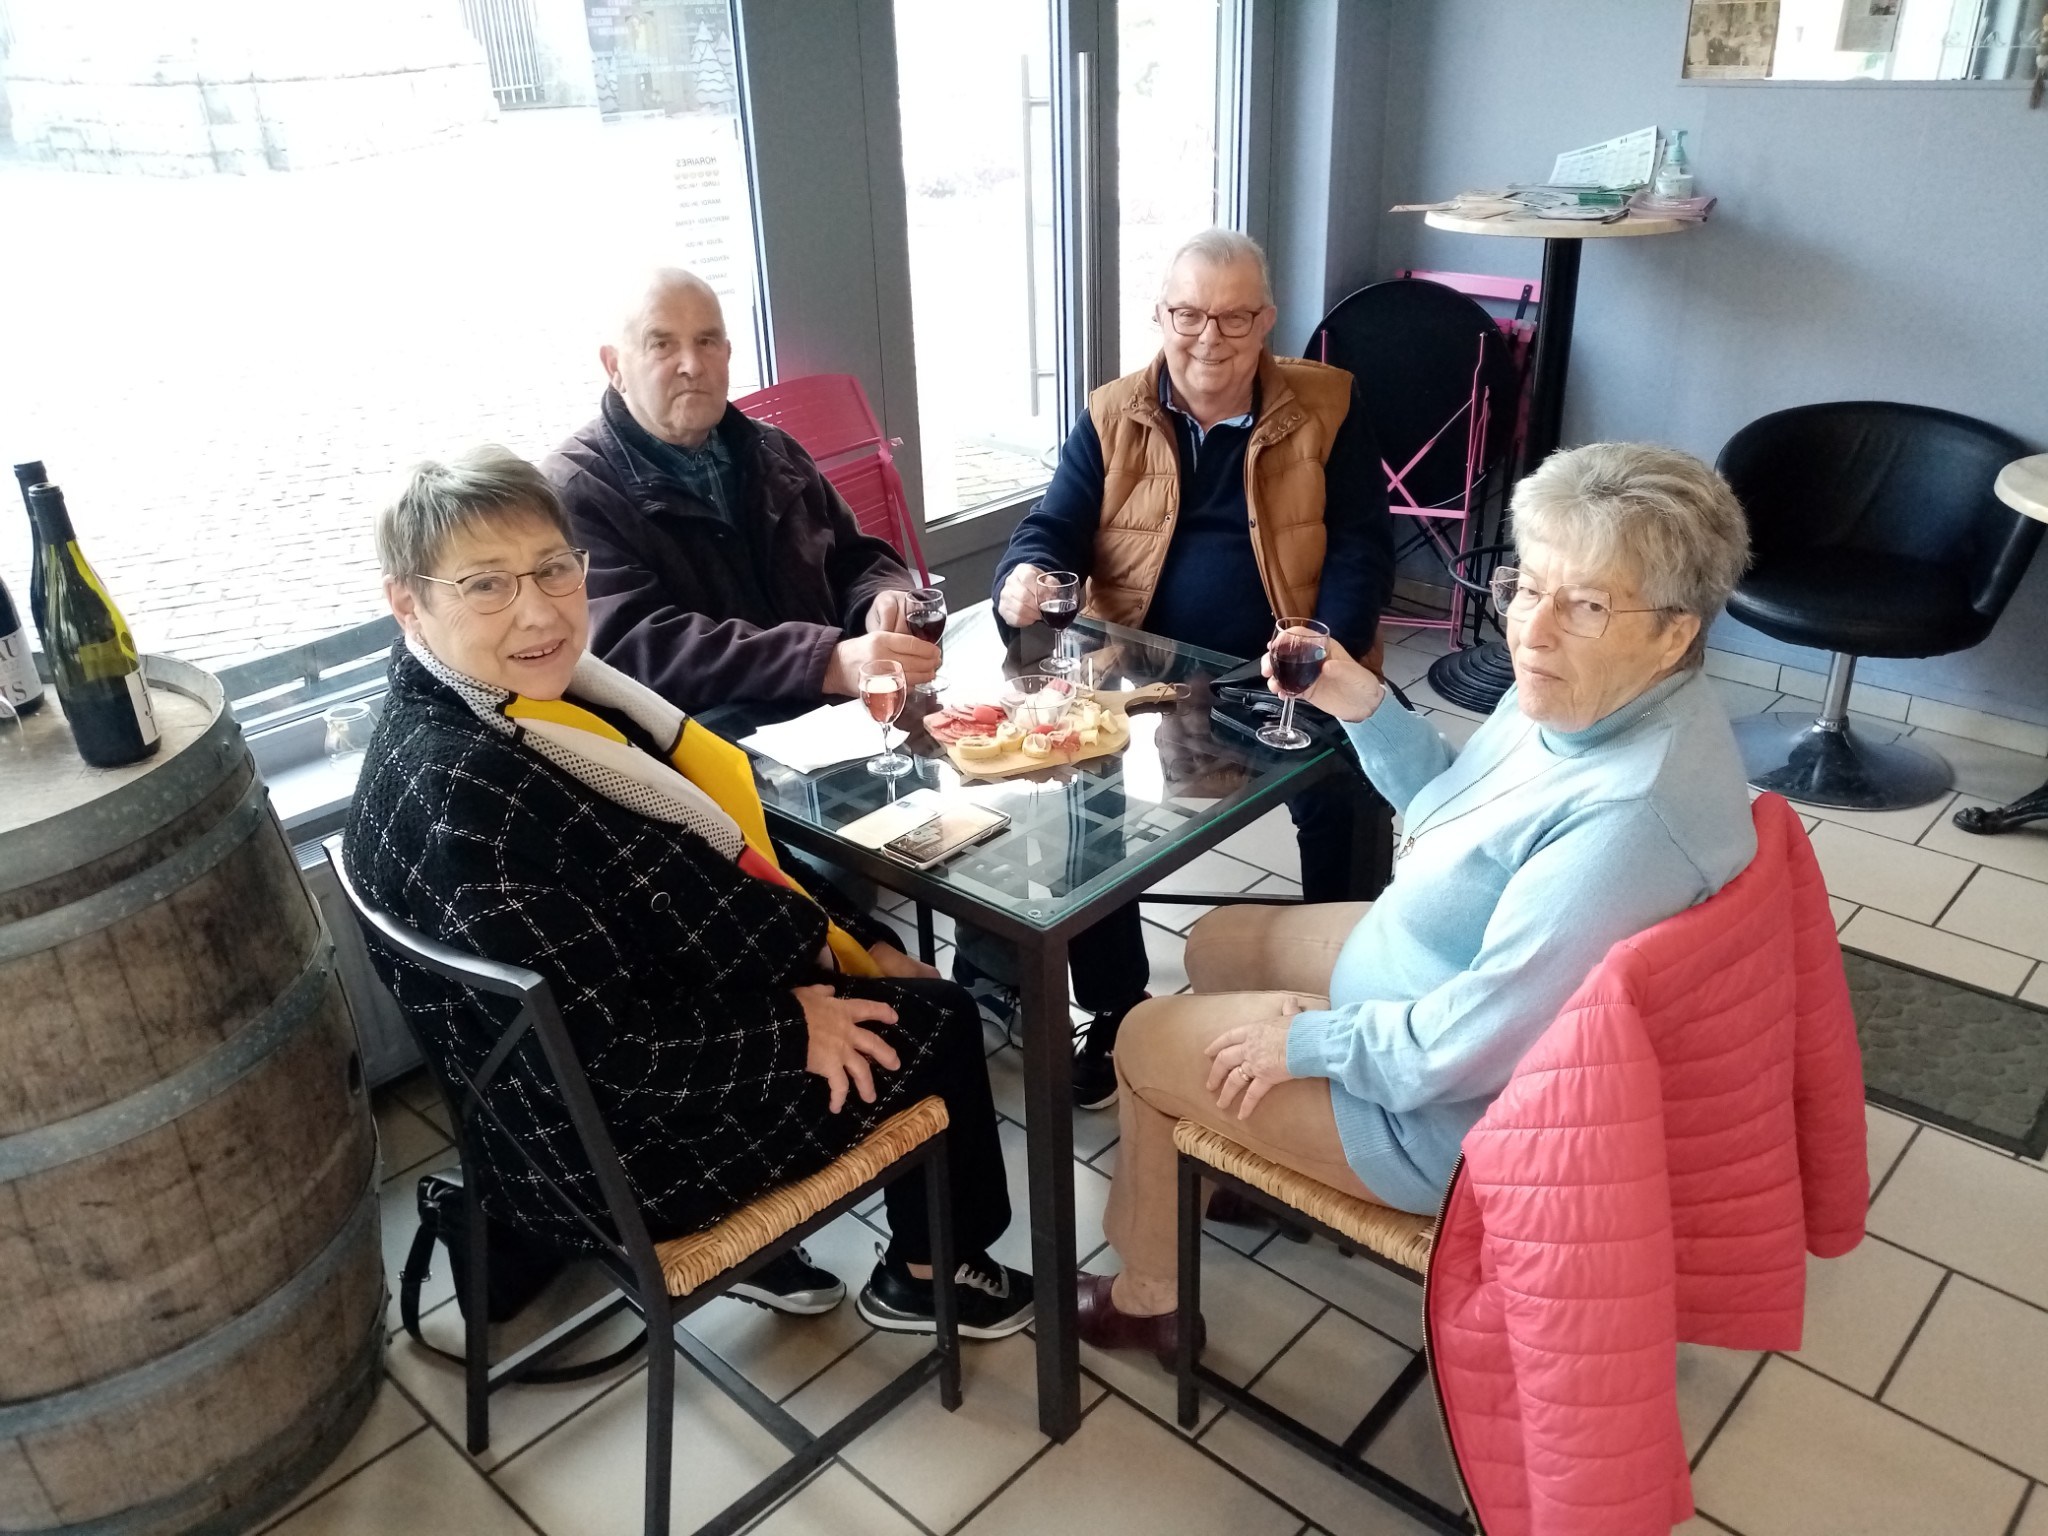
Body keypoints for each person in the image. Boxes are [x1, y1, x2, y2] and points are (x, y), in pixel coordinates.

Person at [1074, 442, 1756, 1360]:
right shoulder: (1592, 695)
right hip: (1431, 973)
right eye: (1528, 587)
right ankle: (1250, 1169)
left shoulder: (1627, 822)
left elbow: (1468, 1045)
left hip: (1443, 1115)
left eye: (1588, 604)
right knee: (1218, 943)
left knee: (1143, 1037)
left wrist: (1309, 1043)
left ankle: (1148, 1297)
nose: (1532, 631)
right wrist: (1364, 703)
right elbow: (1455, 811)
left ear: (1675, 633)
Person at [344, 447, 1032, 1339]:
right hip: (618, 1152)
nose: (539, 611)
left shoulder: (493, 703)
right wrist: (795, 1027)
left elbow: (720, 846)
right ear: (408, 602)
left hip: (593, 1070)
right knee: (939, 1022)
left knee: (883, 952)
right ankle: (928, 1275)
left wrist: (856, 940)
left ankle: (789, 1253)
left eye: (553, 569)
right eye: (486, 586)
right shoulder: (472, 794)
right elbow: (602, 1056)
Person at [979, 228, 1397, 1109]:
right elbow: (1053, 526)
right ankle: (1116, 1008)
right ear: (1161, 315)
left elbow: (1362, 543)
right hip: (1143, 673)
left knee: (1351, 786)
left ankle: (1342, 990)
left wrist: (1327, 645)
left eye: (1235, 317)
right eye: (1189, 314)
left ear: (1268, 320)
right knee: (1083, 794)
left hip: (1286, 666)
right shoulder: (1112, 412)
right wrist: (1023, 573)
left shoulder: (1330, 404)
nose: (1210, 338)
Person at [541, 268, 939, 712]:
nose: (692, 365)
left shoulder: (775, 449)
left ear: (728, 354)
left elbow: (855, 557)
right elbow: (635, 647)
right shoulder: (572, 492)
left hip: (833, 720)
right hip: (703, 740)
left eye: (707, 341)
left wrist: (881, 597)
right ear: (615, 367)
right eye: (662, 344)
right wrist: (823, 662)